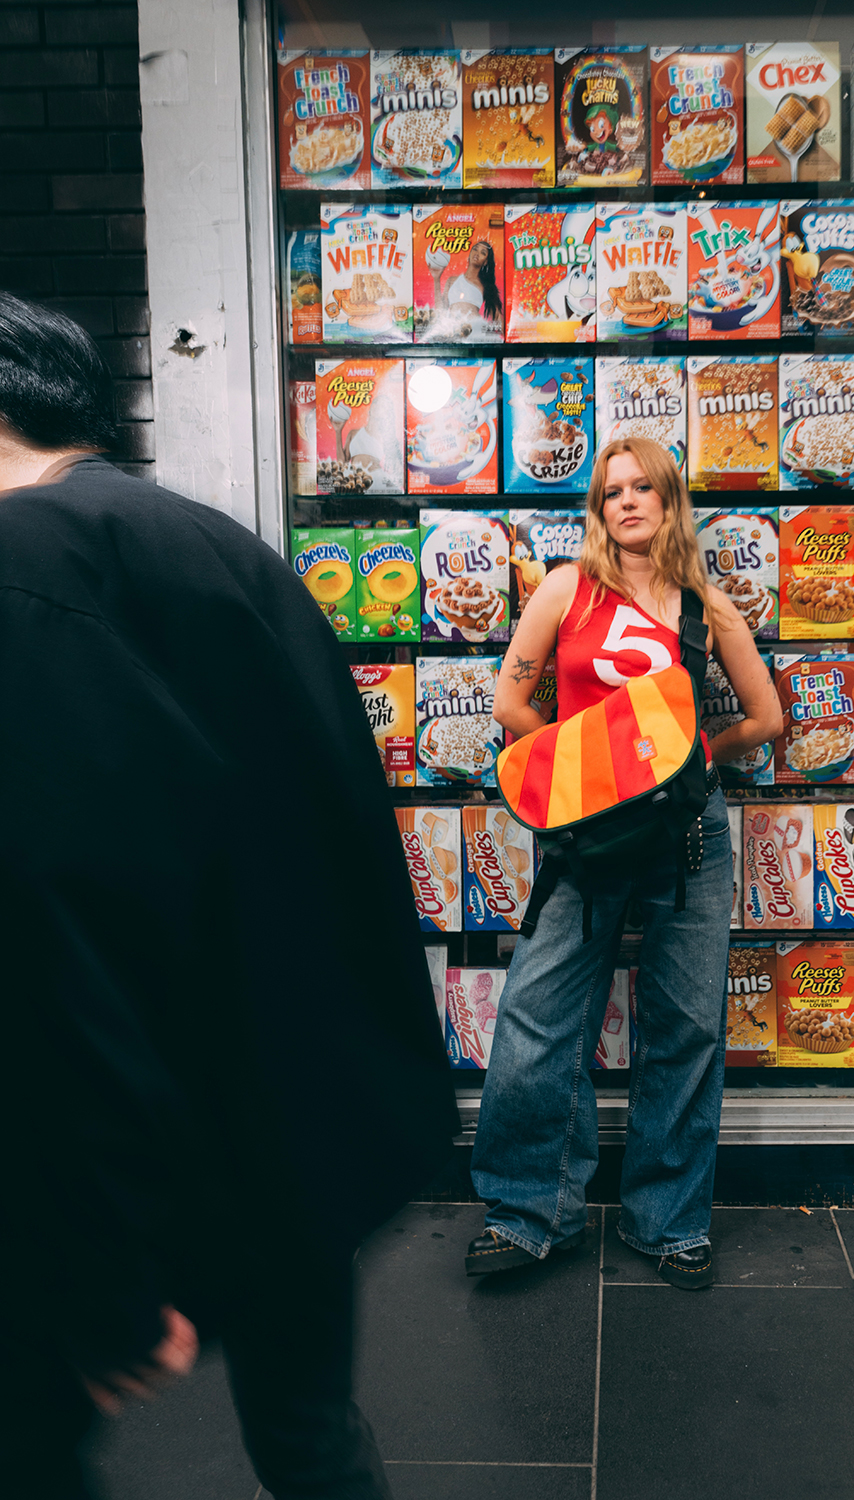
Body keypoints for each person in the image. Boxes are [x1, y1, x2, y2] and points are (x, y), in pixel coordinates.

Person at [0, 293, 459, 1499]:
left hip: (147, 1142)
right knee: (310, 1434)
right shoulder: (229, 548)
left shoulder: (21, 563)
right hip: (298, 1120)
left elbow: (55, 924)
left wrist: (102, 1265)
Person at [465, 437, 782, 1289]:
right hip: (585, 831)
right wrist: (581, 765)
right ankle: (529, 1215)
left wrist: (697, 757)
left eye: (645, 487)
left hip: (686, 834)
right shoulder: (567, 588)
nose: (629, 502)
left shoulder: (706, 607)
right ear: (598, 509)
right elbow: (508, 701)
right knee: (537, 1014)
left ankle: (667, 1222)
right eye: (613, 492)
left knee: (687, 1025)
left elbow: (766, 718)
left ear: (670, 500)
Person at [426, 238, 502, 338]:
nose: (477, 253)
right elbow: (441, 310)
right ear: (470, 253)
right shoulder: (452, 280)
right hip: (454, 333)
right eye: (475, 249)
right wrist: (436, 279)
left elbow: (499, 321)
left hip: (475, 333)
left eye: (483, 253)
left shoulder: (486, 286)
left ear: (485, 262)